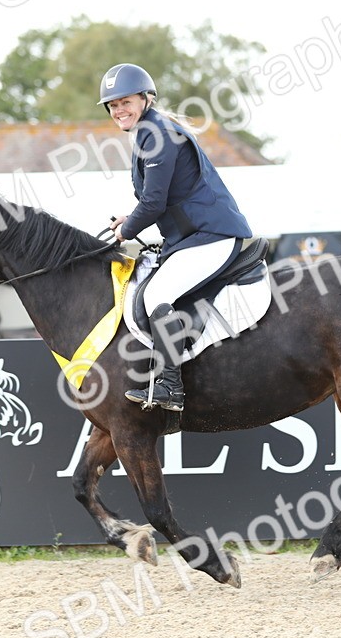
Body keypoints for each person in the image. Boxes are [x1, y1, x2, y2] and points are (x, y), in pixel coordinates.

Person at [102, 63, 253, 412]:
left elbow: (154, 203)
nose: (119, 110)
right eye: (113, 105)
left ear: (146, 99)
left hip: (213, 235)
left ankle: (171, 386)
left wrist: (126, 231)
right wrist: (128, 219)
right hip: (193, 238)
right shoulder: (147, 132)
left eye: (125, 102)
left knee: (156, 294)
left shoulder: (157, 134)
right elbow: (157, 199)